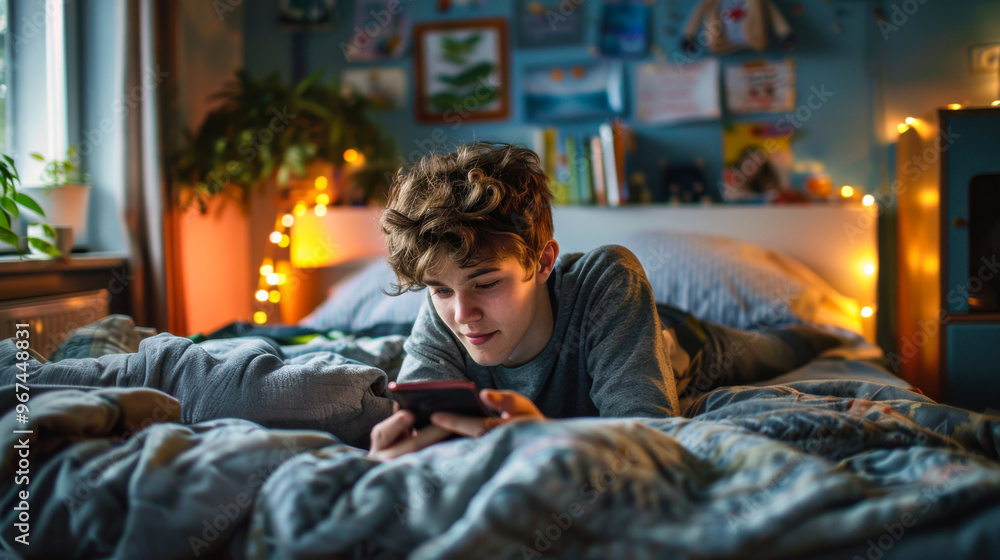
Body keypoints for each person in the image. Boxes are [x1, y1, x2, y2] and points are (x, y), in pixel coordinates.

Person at [369, 143, 840, 460]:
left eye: (486, 283)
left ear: (543, 260)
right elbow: (421, 436)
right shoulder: (445, 310)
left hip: (683, 341)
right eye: (441, 289)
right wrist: (398, 450)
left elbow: (647, 437)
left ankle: (824, 331)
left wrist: (547, 439)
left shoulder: (608, 277)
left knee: (783, 347)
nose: (462, 315)